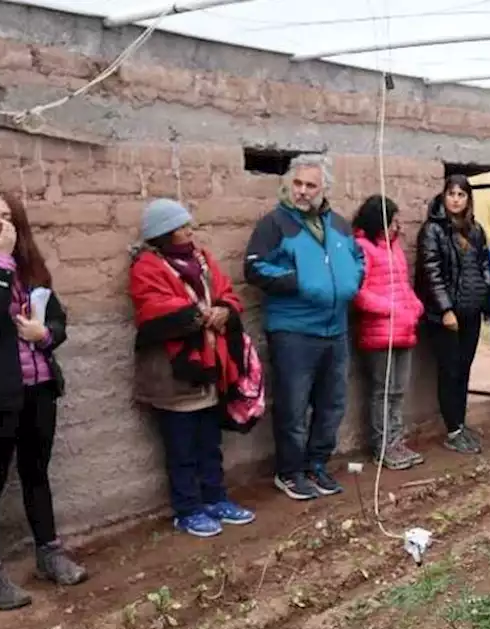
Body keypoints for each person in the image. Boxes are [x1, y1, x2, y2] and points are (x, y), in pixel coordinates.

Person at [0, 193, 86, 611]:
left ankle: (50, 554)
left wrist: (45, 335)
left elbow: (58, 318)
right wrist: (1, 263)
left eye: (6, 217)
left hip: (38, 387)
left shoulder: (31, 264)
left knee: (37, 473)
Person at [129, 198, 257, 537]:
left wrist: (224, 310)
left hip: (208, 371)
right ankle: (187, 509)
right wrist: (202, 314)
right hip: (174, 374)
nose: (190, 230)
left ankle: (215, 498)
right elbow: (153, 308)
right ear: (164, 233)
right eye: (182, 227)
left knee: (209, 443)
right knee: (181, 447)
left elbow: (226, 291)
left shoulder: (202, 259)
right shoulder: (147, 267)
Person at [245, 155, 364, 499]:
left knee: (332, 405)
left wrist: (353, 280)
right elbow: (254, 267)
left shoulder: (339, 225)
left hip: (336, 329)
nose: (302, 191)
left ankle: (317, 465)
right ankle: (290, 471)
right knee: (293, 406)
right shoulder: (275, 224)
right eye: (297, 184)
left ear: (323, 188)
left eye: (310, 185)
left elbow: (359, 259)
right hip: (293, 330)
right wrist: (300, 282)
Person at [415, 175, 490, 454]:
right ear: (444, 196)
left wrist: (486, 298)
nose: (456, 199)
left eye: (462, 194)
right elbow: (431, 273)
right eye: (452, 194)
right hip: (446, 317)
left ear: (468, 199)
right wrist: (445, 309)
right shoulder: (432, 231)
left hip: (470, 312)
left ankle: (460, 423)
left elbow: (484, 263)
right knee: (449, 371)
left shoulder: (475, 230)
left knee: (463, 371)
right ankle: (453, 430)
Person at [351, 194, 426, 470]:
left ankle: (396, 440)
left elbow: (402, 285)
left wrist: (414, 306)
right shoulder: (362, 248)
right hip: (380, 331)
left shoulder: (394, 248)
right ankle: (382, 445)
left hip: (403, 327)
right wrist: (392, 309)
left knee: (398, 391)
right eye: (393, 221)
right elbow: (359, 293)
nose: (398, 227)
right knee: (383, 391)